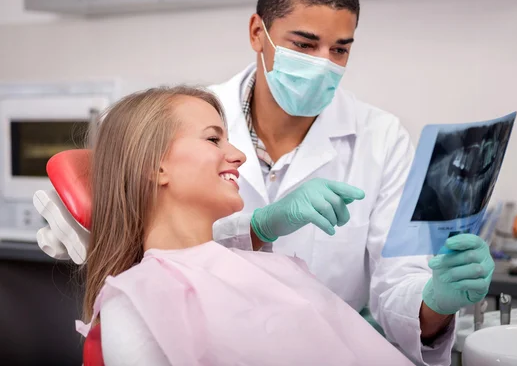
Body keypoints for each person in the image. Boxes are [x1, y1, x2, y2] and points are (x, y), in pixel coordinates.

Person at [208, 0, 495, 364]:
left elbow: (397, 284)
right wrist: (256, 227)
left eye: (339, 49)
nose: (324, 64)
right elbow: (158, 253)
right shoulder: (194, 122)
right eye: (305, 45)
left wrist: (436, 302)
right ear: (258, 32)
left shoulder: (381, 138)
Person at [77, 86, 413, 365]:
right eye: (213, 140)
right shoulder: (136, 304)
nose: (238, 155)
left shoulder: (256, 266)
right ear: (154, 166)